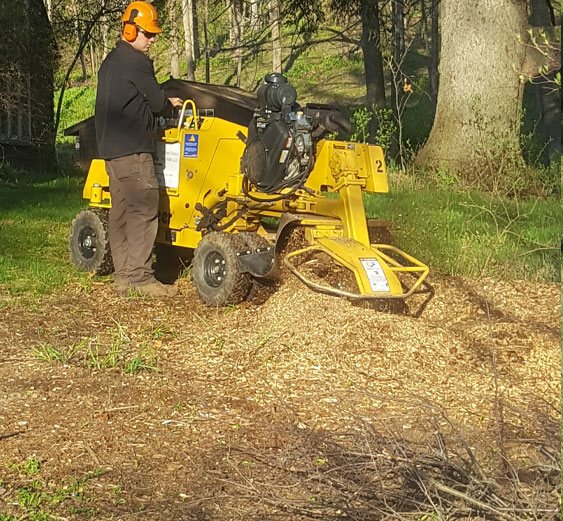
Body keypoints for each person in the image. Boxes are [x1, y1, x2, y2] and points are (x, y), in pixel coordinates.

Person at [95, 1, 183, 297]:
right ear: (131, 31)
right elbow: (157, 102)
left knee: (120, 211)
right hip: (133, 150)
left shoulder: (110, 62)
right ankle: (142, 279)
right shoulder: (136, 61)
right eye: (148, 33)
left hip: (110, 151)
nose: (152, 39)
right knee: (144, 207)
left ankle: (124, 277)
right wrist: (168, 105)